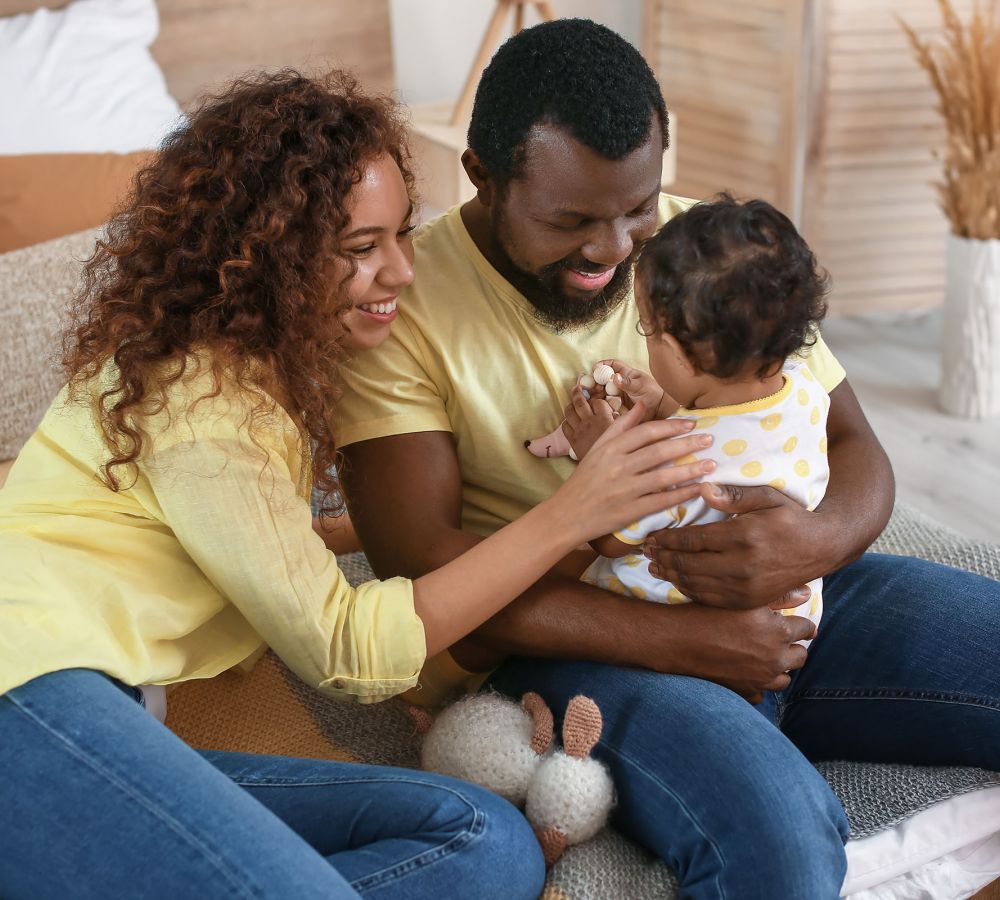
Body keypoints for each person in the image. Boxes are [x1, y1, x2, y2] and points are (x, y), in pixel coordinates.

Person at [335, 19, 1000, 899]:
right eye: (571, 220)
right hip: (585, 637)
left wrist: (815, 542)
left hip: (787, 604)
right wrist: (690, 641)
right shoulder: (405, 312)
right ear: (483, 179)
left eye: (637, 206)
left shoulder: (704, 250)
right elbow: (426, 576)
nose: (616, 249)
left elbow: (851, 440)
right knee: (787, 850)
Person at [0, 70, 698, 900]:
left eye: (402, 234)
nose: (402, 271)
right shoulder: (203, 408)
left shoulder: (256, 377)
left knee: (487, 838)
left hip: (109, 725)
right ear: (261, 255)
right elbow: (346, 652)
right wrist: (573, 513)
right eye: (362, 248)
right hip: (28, 695)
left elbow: (255, 533)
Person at [575, 195, 830, 644]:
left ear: (673, 352)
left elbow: (610, 540)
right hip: (795, 618)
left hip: (690, 629)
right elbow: (739, 437)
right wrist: (663, 405)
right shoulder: (803, 388)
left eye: (645, 328)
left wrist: (598, 453)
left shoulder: (683, 464)